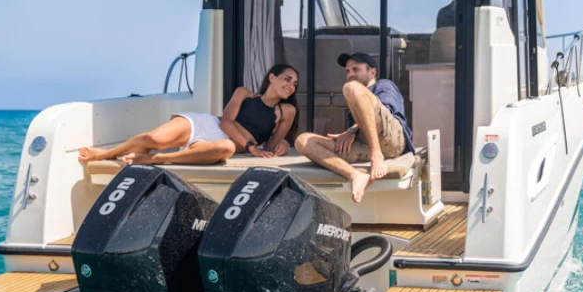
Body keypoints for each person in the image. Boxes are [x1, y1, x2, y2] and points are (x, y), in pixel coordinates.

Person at [78, 64, 300, 166]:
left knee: (227, 148)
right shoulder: (243, 93)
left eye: (295, 84)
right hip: (207, 124)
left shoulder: (286, 111)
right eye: (287, 79)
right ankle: (107, 154)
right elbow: (225, 122)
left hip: (225, 143)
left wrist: (280, 147)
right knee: (153, 139)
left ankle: (156, 159)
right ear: (272, 77)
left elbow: (270, 147)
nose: (291, 86)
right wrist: (252, 145)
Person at [295, 53, 414, 204]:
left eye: (356, 69)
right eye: (347, 71)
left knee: (351, 88)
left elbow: (387, 112)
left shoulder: (383, 85)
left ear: (372, 72)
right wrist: (350, 133)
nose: (350, 74)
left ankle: (376, 155)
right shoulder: (355, 95)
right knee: (303, 141)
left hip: (392, 138)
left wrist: (352, 130)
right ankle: (355, 176)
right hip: (364, 144)